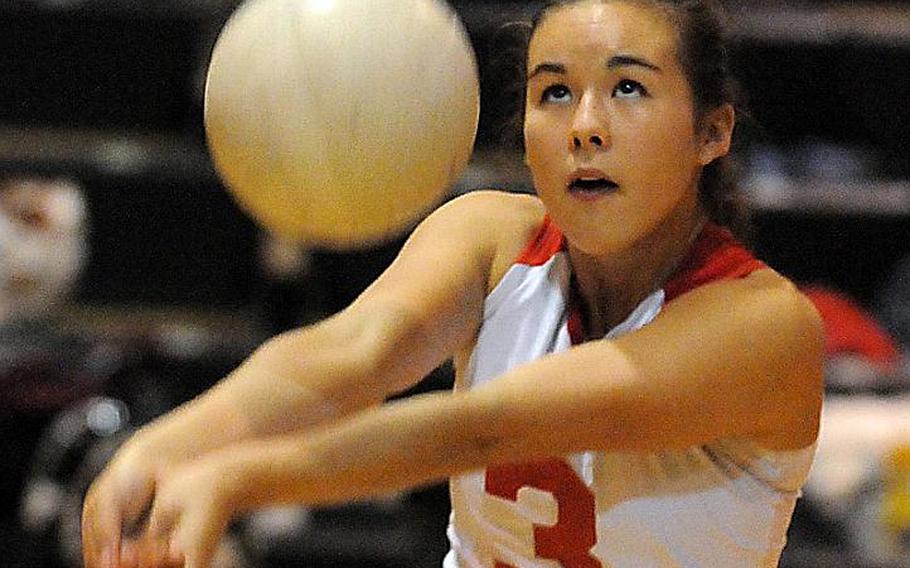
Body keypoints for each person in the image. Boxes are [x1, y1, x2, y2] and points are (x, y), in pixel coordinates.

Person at [80, 0, 824, 566]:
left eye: (628, 89)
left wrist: (238, 478)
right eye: (554, 93)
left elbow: (486, 428)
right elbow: (351, 355)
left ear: (711, 133)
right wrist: (163, 448)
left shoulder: (763, 327)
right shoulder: (490, 239)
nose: (585, 127)